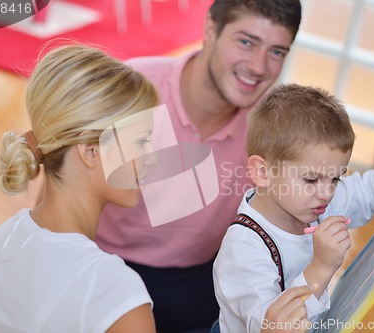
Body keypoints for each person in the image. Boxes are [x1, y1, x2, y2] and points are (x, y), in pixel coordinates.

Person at [96, 0, 302, 331]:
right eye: (246, 41)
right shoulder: (130, 87)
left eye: (277, 52)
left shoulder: (272, 123)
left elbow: (319, 194)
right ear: (210, 30)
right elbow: (60, 196)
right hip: (103, 263)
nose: (259, 67)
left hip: (197, 277)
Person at [212, 84, 374, 333]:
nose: (327, 193)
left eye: (336, 178)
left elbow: (366, 190)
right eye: (311, 179)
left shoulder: (314, 202)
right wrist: (321, 267)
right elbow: (272, 327)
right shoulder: (244, 249)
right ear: (263, 172)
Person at [0, 44, 160, 333]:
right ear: (90, 151)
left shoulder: (4, 238)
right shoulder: (115, 293)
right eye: (141, 141)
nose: (153, 156)